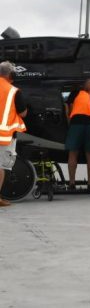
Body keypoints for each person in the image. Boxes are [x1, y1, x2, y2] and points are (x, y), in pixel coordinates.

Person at [0, 61, 27, 207]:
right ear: (11, 74)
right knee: (0, 166)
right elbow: (23, 112)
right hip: (4, 135)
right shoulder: (13, 91)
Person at [64, 84, 90, 192]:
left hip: (77, 123)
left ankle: (72, 183)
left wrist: (70, 122)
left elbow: (68, 107)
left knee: (73, 153)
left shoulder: (75, 93)